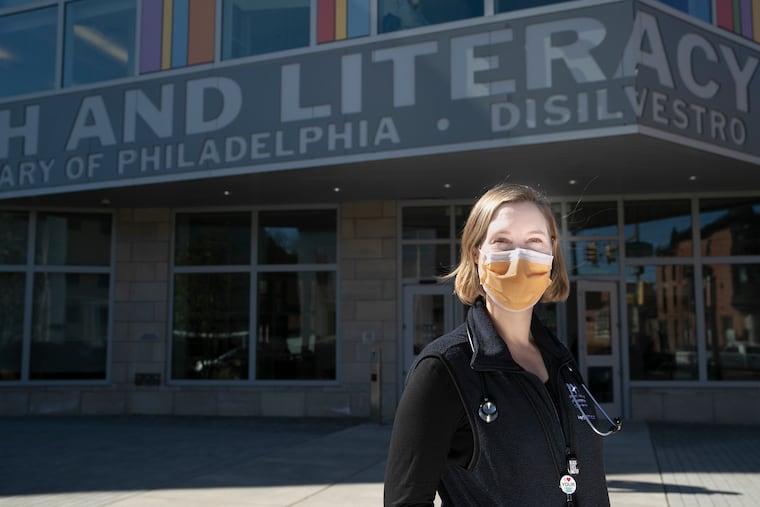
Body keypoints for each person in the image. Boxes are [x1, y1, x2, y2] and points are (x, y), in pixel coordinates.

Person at [384, 183, 618, 506]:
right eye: (502, 241)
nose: (520, 256)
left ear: (551, 254)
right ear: (477, 254)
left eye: (534, 241)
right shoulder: (443, 370)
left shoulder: (561, 362)